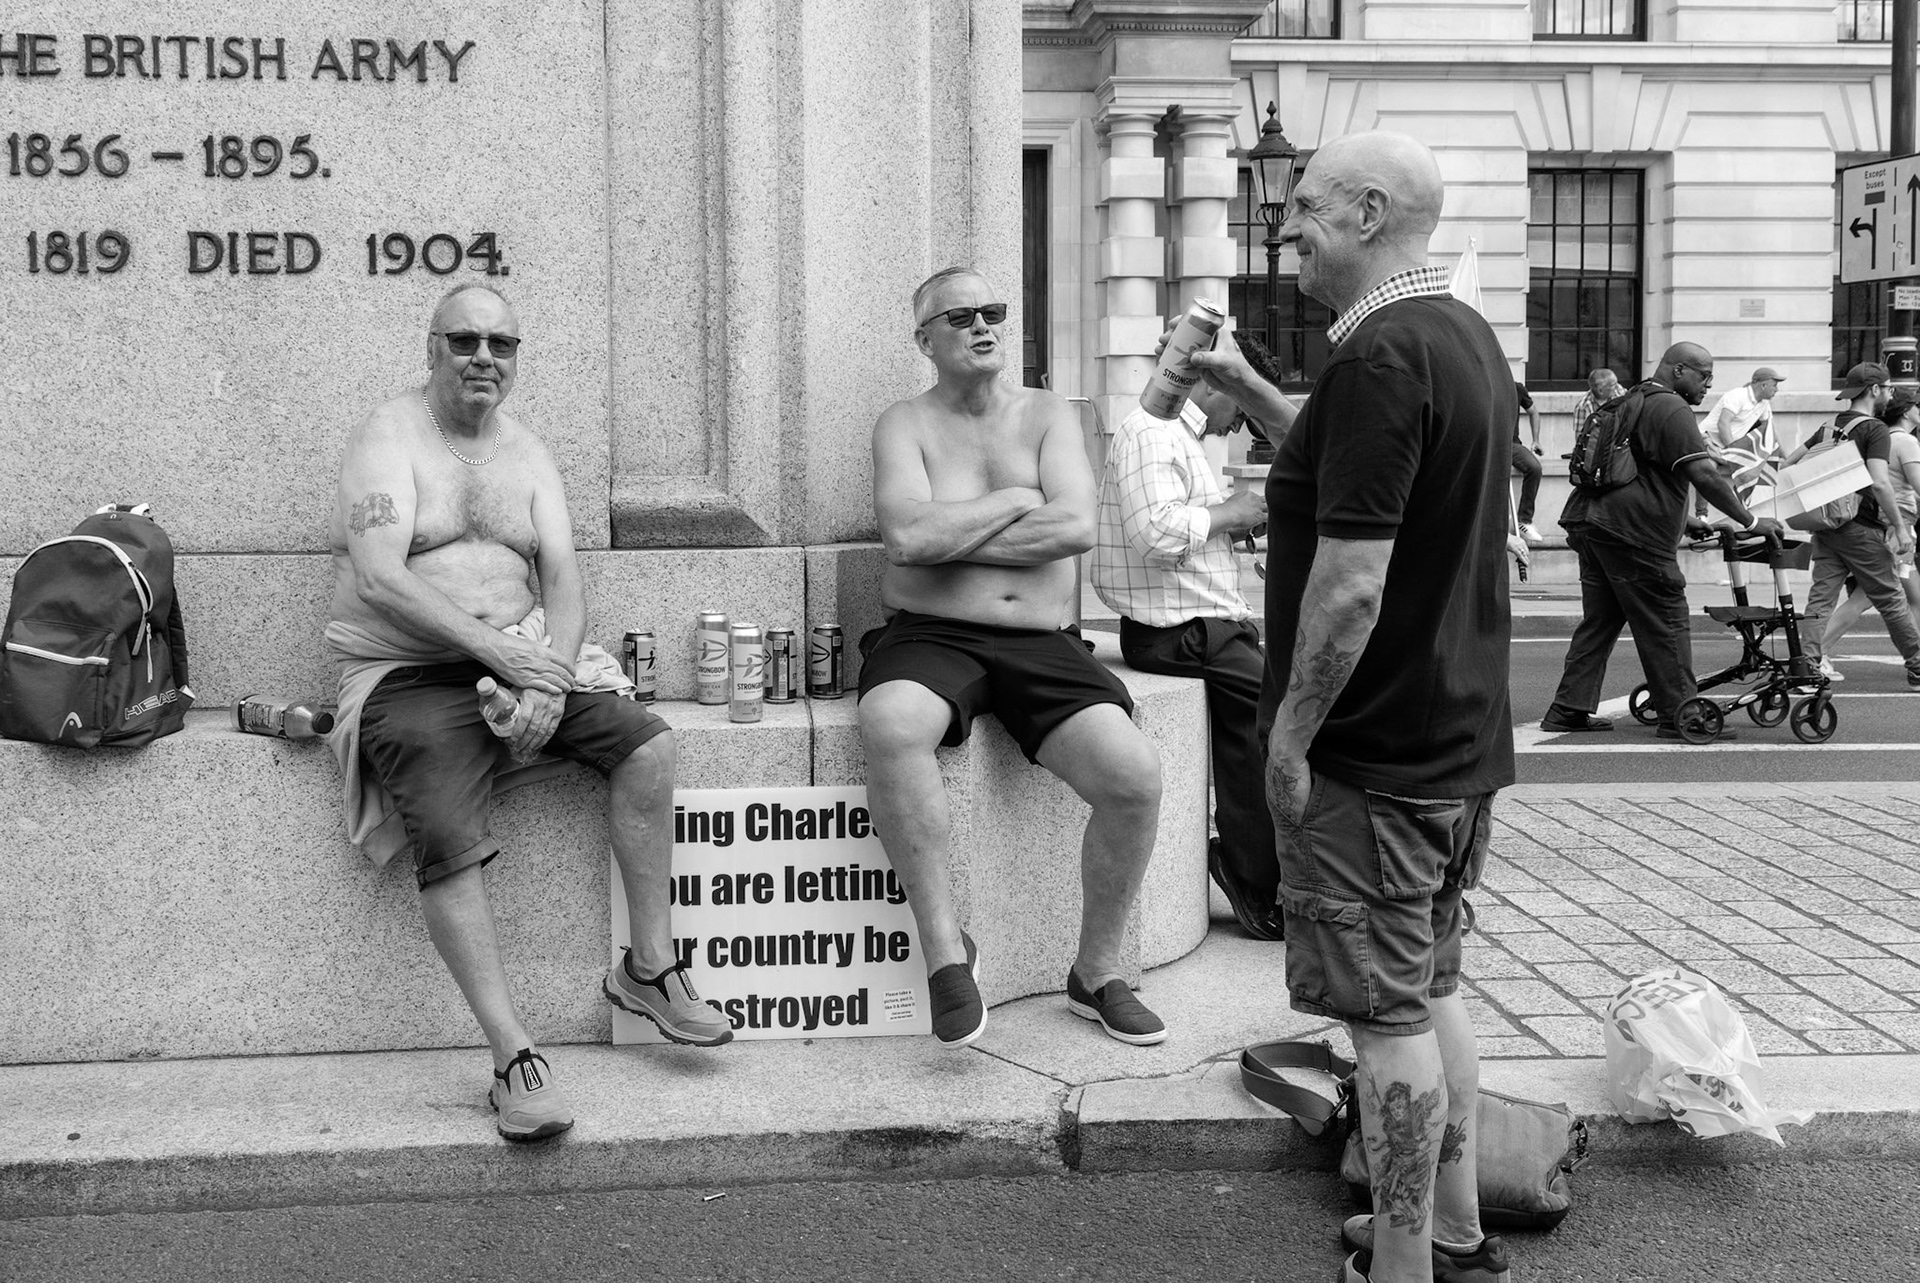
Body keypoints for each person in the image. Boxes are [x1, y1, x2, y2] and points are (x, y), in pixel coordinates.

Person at [1189, 130, 1516, 1283]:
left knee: (1383, 1023)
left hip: (1370, 753)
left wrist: (1287, 739)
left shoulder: (1379, 356)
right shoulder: (1454, 337)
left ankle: (1406, 1263)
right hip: (1455, 737)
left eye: (1306, 212)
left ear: (1371, 213)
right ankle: (1455, 1235)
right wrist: (1247, 389)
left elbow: (1352, 579)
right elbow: (1359, 471)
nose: (1287, 235)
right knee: (1427, 990)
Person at [326, 283, 730, 1144]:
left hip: (529, 660)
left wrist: (544, 682)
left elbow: (565, 584)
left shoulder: (529, 453)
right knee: (444, 824)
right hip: (411, 672)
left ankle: (650, 968)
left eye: (502, 344)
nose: (484, 357)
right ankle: (514, 1056)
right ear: (431, 347)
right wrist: (500, 654)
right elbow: (378, 576)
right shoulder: (388, 437)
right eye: (465, 340)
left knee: (648, 747)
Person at [858, 266, 1167, 1050]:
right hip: (932, 635)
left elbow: (1073, 528)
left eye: (994, 311)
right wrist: (1012, 502)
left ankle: (1096, 974)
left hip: (1040, 640)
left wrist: (948, 532)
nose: (984, 326)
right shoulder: (903, 424)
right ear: (924, 339)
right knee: (891, 721)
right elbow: (905, 539)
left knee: (1134, 775)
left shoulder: (1048, 414)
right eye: (960, 316)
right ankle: (945, 952)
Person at [1091, 327, 1296, 942]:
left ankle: (1265, 871)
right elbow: (1154, 532)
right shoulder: (1151, 432)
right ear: (1213, 380)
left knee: (1273, 723)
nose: (1242, 424)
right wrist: (1229, 514)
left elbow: (1174, 532)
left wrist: (1227, 526)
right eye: (1242, 402)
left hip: (1197, 625)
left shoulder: (1177, 435)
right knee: (1274, 725)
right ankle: (1254, 877)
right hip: (1176, 632)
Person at [1541, 344, 1783, 741]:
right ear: (1678, 369)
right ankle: (1681, 716)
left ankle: (1568, 708)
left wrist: (1686, 522)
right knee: (1666, 617)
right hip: (1632, 533)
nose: (1709, 384)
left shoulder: (1633, 398)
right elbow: (1704, 474)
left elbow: (1634, 473)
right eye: (1703, 375)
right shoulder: (1671, 408)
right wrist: (1752, 520)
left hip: (1593, 523)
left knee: (1600, 621)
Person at [1796, 362, 1920, 689]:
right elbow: (1880, 483)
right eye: (1888, 387)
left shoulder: (1828, 425)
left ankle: (1807, 669)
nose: (1891, 393)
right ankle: (1918, 666)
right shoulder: (1875, 429)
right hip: (1862, 527)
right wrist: (1901, 527)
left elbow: (1791, 463)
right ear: (1874, 390)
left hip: (1826, 525)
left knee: (1820, 600)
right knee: (1892, 599)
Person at [1819, 387, 1920, 662]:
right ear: (1906, 411)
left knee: (1891, 594)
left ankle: (1814, 653)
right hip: (1897, 522)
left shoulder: (1883, 436)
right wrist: (1901, 528)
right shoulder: (1906, 442)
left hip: (1873, 521)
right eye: (1918, 406)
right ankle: (1818, 651)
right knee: (1878, 596)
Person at [1703, 366, 1784, 452]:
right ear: (1763, 385)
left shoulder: (1764, 403)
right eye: (1774, 386)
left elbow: (1771, 431)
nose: (1776, 390)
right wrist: (1733, 452)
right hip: (1707, 441)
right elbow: (1723, 424)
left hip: (1724, 447)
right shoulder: (1738, 395)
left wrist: (1788, 460)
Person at [1512, 381, 1545, 541]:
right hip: (1487, 441)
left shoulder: (1516, 387)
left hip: (1511, 444)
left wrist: (1536, 440)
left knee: (1534, 468)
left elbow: (1533, 412)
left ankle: (1524, 521)